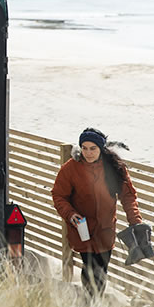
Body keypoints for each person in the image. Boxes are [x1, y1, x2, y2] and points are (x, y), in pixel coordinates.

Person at [51, 127, 143, 297]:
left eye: (93, 148)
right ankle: (90, 304)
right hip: (81, 227)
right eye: (84, 148)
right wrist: (70, 214)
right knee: (90, 265)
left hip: (105, 229)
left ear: (101, 148)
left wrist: (135, 221)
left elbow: (128, 196)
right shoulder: (70, 168)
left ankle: (94, 303)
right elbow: (58, 195)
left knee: (101, 269)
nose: (88, 153)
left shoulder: (115, 168)